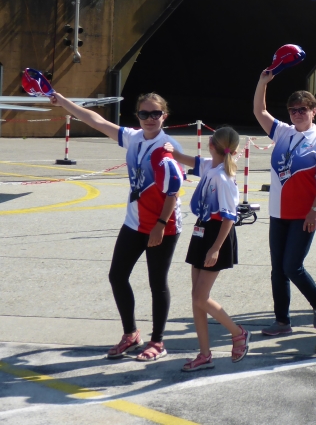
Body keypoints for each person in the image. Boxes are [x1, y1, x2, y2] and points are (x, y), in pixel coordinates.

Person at [48, 92, 184, 361]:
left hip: (163, 224)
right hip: (134, 221)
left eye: (155, 114)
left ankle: (157, 342)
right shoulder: (133, 138)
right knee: (117, 276)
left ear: (164, 116)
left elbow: (173, 191)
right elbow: (95, 120)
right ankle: (131, 334)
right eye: (144, 114)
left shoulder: (169, 147)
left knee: (157, 283)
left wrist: (159, 225)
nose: (149, 119)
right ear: (137, 116)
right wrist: (62, 101)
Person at [253, 78, 316, 335]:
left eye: (303, 109)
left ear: (313, 111)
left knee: (292, 266)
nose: (297, 114)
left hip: (304, 214)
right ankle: (282, 322)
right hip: (278, 213)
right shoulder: (283, 132)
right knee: (278, 270)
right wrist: (263, 82)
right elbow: (259, 110)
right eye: (293, 110)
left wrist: (315, 211)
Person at [167, 128, 250, 371]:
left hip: (217, 236)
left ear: (211, 145)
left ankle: (238, 333)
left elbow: (229, 217)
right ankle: (204, 354)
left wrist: (215, 248)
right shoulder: (209, 165)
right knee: (197, 298)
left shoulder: (223, 177)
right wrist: (170, 151)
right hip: (202, 229)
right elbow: (190, 161)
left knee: (200, 297)